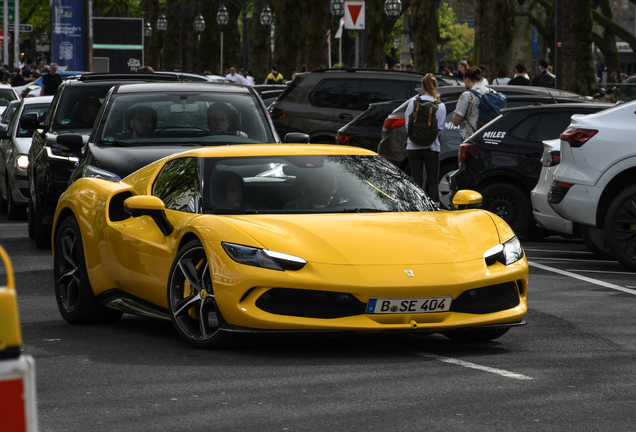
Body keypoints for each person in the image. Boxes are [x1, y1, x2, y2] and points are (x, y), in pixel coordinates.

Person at [404, 73, 446, 206]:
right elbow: (440, 127)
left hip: (413, 146)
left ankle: (418, 207)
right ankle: (435, 208)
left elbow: (407, 125)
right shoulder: (440, 105)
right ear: (436, 86)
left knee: (416, 180)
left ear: (422, 87)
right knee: (433, 182)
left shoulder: (413, 102)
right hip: (432, 147)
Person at [453, 66, 488, 141]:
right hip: (488, 138)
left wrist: (457, 108)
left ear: (467, 79)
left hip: (471, 138)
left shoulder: (466, 95)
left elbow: (456, 121)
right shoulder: (492, 92)